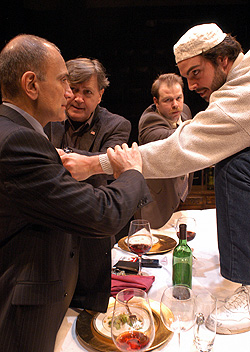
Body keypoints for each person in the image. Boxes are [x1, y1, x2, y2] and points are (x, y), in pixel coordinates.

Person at [60, 23, 250, 335]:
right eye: (185, 76)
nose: (190, 87)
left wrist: (94, 164)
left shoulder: (239, 94)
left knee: (234, 165)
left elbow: (181, 148)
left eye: (196, 72)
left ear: (223, 60)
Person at [0, 34, 151, 352]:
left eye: (82, 90)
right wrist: (133, 172)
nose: (70, 95)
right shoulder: (18, 141)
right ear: (31, 85)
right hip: (21, 312)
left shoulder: (21, 133)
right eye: (63, 82)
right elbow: (102, 214)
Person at [44, 58, 132, 312]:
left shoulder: (117, 125)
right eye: (73, 89)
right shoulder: (49, 118)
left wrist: (58, 153)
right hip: (52, 225)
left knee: (89, 311)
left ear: (100, 96)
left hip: (93, 231)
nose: (78, 99)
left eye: (87, 92)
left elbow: (111, 164)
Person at [135, 73, 193, 228]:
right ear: (156, 102)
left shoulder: (184, 110)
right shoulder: (149, 122)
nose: (175, 105)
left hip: (180, 195)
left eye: (179, 98)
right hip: (156, 201)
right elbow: (176, 140)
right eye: (168, 100)